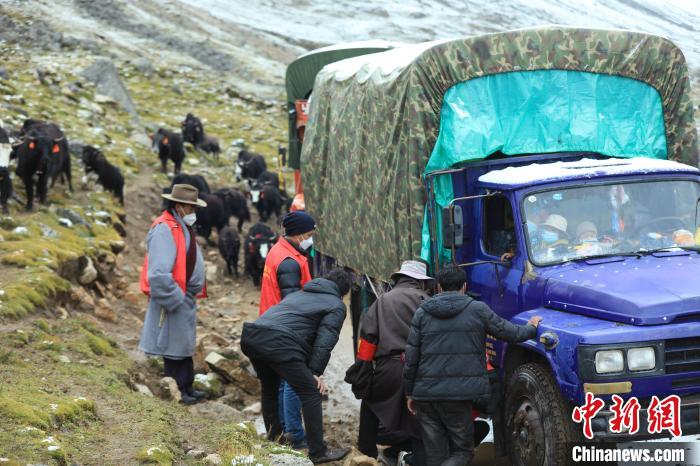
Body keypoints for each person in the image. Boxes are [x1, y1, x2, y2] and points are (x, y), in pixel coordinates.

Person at [403, 265, 542, 466]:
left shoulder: (422, 313)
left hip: (425, 396)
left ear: (439, 286)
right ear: (464, 286)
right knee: (463, 452)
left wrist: (409, 392)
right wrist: (531, 328)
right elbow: (510, 333)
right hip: (458, 396)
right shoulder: (477, 309)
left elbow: (411, 356)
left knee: (435, 455)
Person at [241, 268, 353, 464]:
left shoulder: (299, 294)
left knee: (270, 388)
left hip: (253, 336)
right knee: (311, 392)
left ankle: (275, 438)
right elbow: (325, 339)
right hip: (279, 342)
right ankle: (318, 452)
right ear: (343, 292)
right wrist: (314, 372)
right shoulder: (336, 304)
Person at [356, 260, 433, 465]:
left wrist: (363, 369)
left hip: (388, 368)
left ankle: (366, 452)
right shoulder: (428, 301)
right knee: (418, 416)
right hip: (421, 369)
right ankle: (414, 458)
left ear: (398, 279)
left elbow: (368, 338)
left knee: (371, 404)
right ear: (421, 282)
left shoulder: (382, 301)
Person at [138, 184, 207, 405]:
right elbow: (158, 272)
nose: (194, 212)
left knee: (183, 343)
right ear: (179, 206)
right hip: (175, 295)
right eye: (191, 207)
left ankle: (187, 385)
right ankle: (176, 388)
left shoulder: (179, 225)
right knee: (172, 343)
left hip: (184, 295)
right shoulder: (164, 229)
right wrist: (175, 297)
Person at [259, 211, 316, 449]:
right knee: (292, 381)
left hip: (270, 324)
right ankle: (295, 435)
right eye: (310, 234)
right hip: (284, 329)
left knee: (279, 383)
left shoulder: (279, 251)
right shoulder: (290, 263)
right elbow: (294, 304)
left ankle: (281, 431)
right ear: (300, 234)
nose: (311, 239)